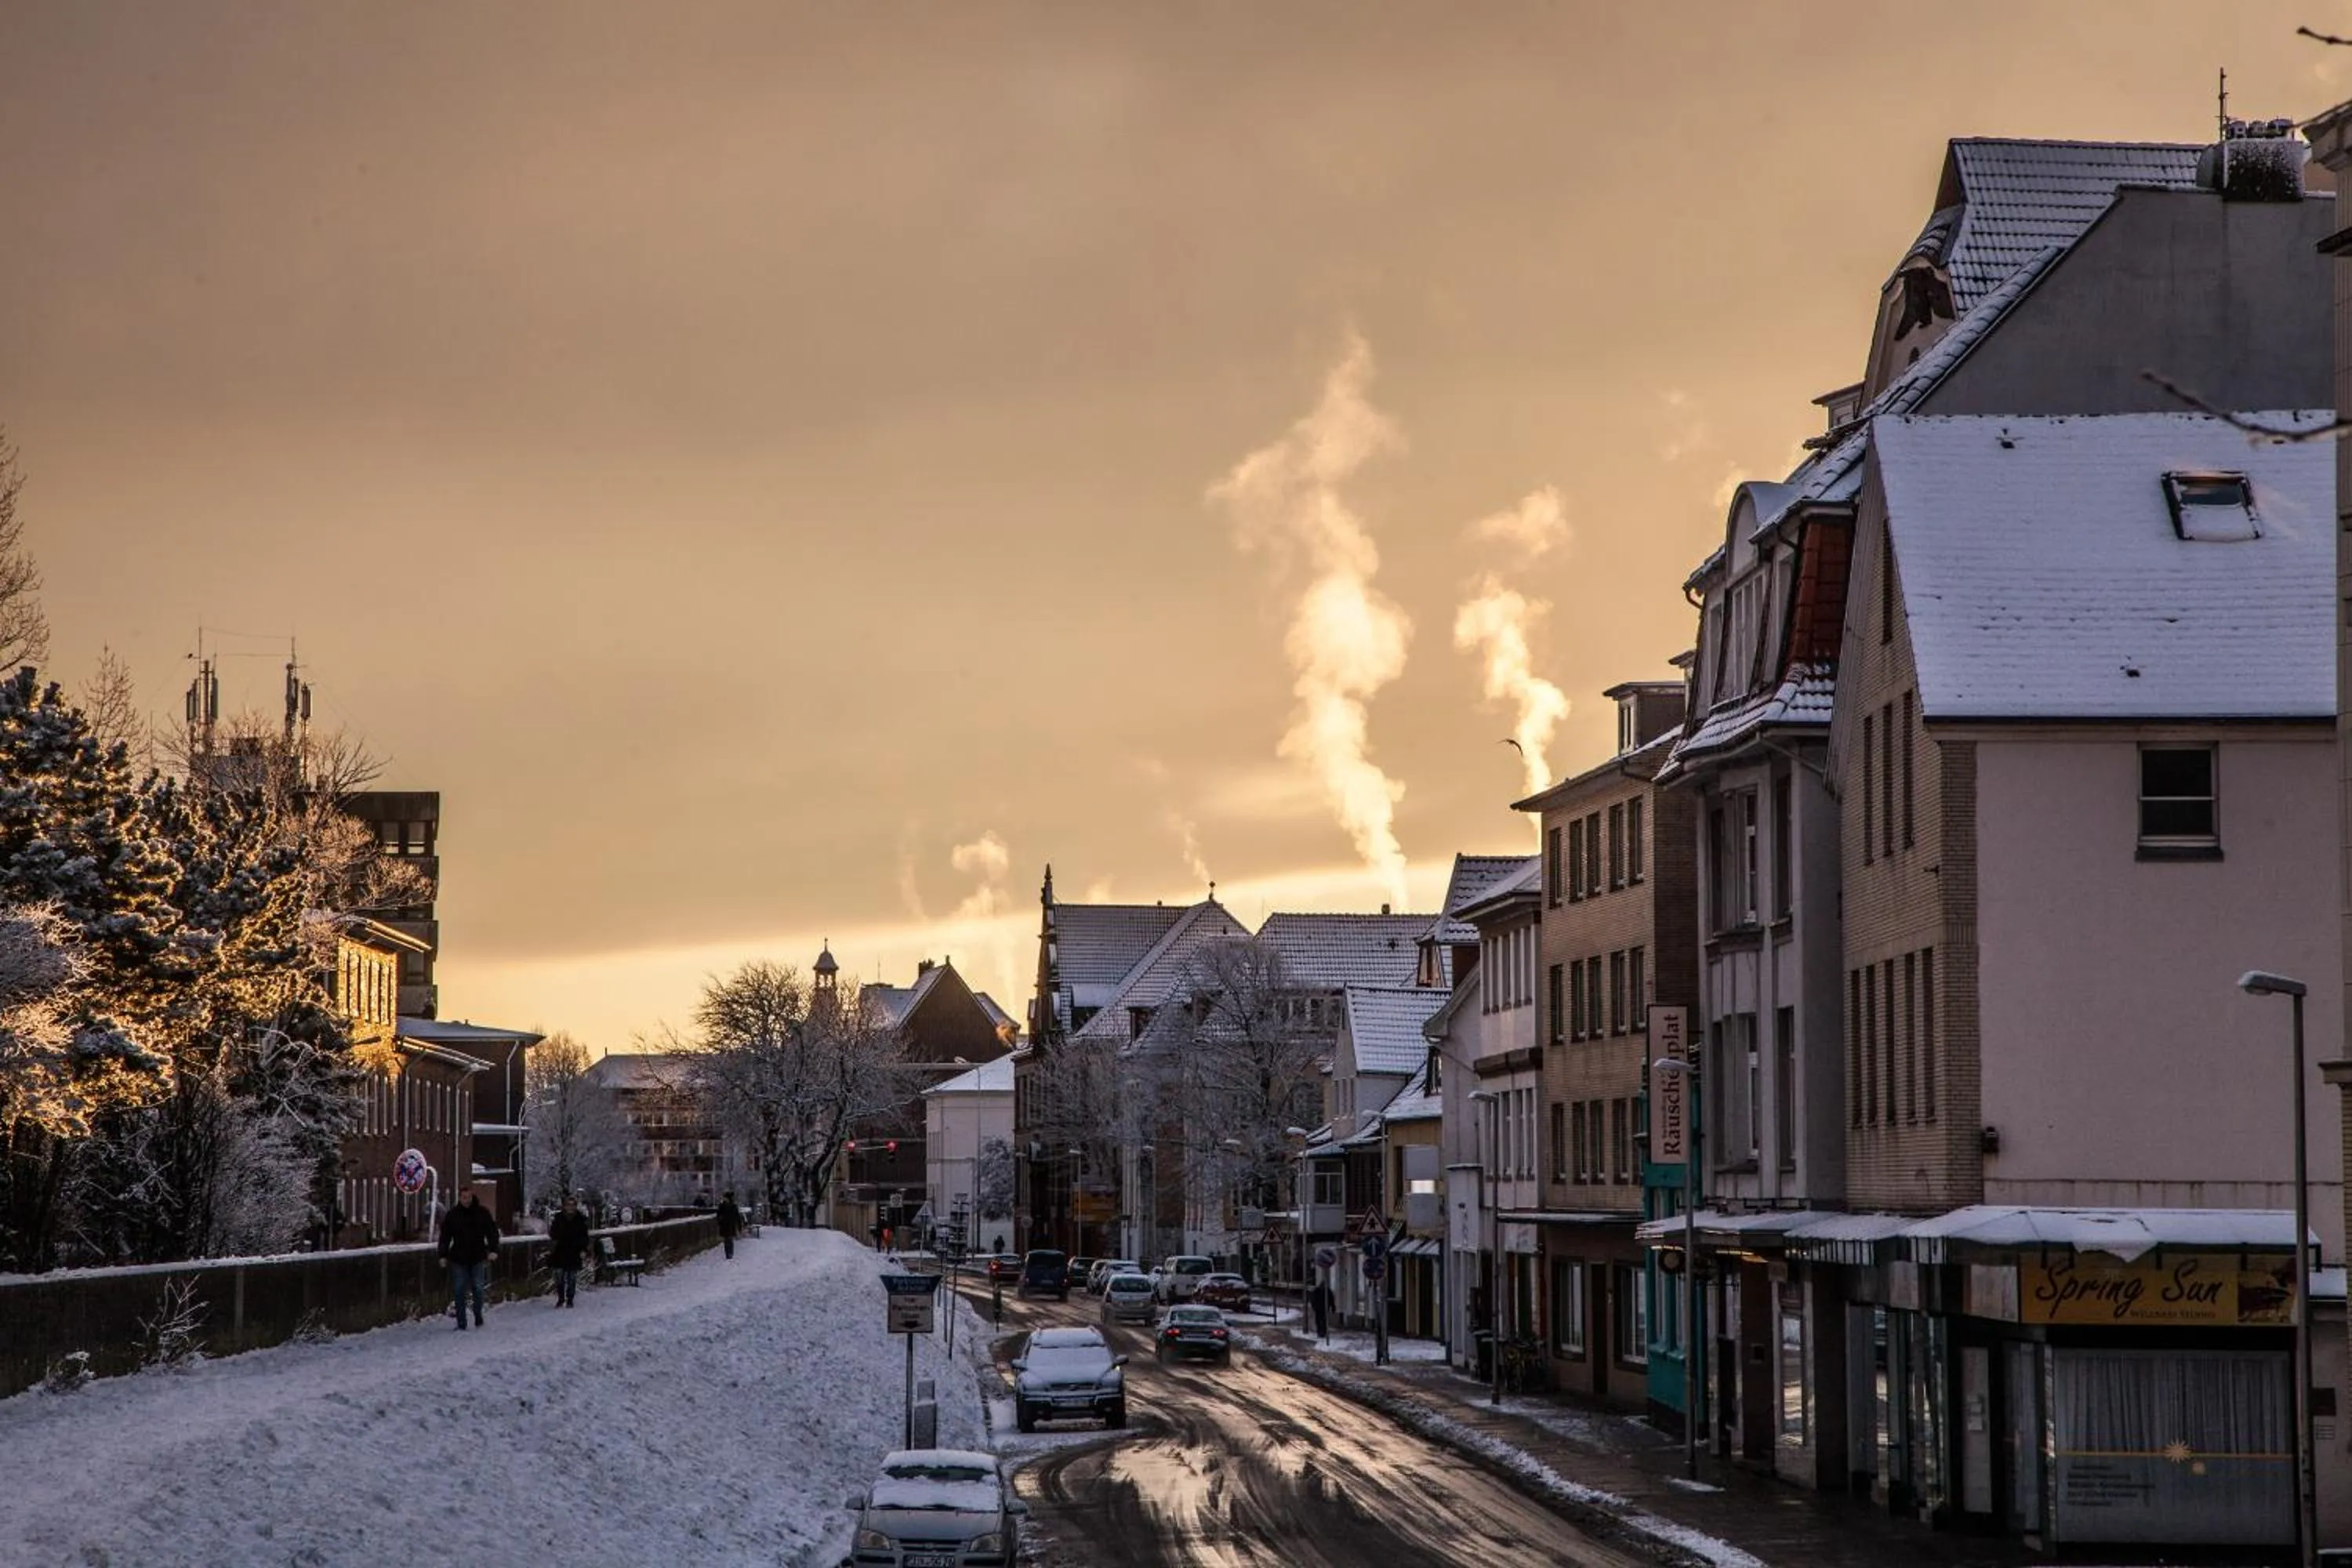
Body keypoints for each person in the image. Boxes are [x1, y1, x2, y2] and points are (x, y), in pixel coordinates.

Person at [437, 1189, 501, 1330]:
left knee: (478, 1289)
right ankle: (461, 1322)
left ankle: (477, 1313)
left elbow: (492, 1232)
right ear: (460, 1198)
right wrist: (442, 1255)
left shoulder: (482, 1213)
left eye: (469, 1197)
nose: (467, 1200)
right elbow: (445, 1237)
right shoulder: (453, 1215)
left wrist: (493, 1250)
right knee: (459, 1290)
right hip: (458, 1258)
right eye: (464, 1197)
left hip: (477, 1256)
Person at [546, 1194, 590, 1308]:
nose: (570, 1207)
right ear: (564, 1206)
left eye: (572, 1205)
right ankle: (561, 1298)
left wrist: (583, 1249)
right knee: (559, 1277)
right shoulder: (559, 1218)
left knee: (572, 1277)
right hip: (560, 1251)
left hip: (574, 1251)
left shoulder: (580, 1219)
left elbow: (584, 1236)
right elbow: (553, 1233)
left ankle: (570, 1299)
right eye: (568, 1205)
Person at [715, 1189, 742, 1260]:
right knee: (727, 1240)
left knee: (729, 1239)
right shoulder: (723, 1205)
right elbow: (718, 1215)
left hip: (730, 1225)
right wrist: (720, 1220)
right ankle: (728, 1254)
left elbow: (737, 1217)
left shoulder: (732, 1206)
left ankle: (730, 1254)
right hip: (725, 1225)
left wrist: (739, 1226)